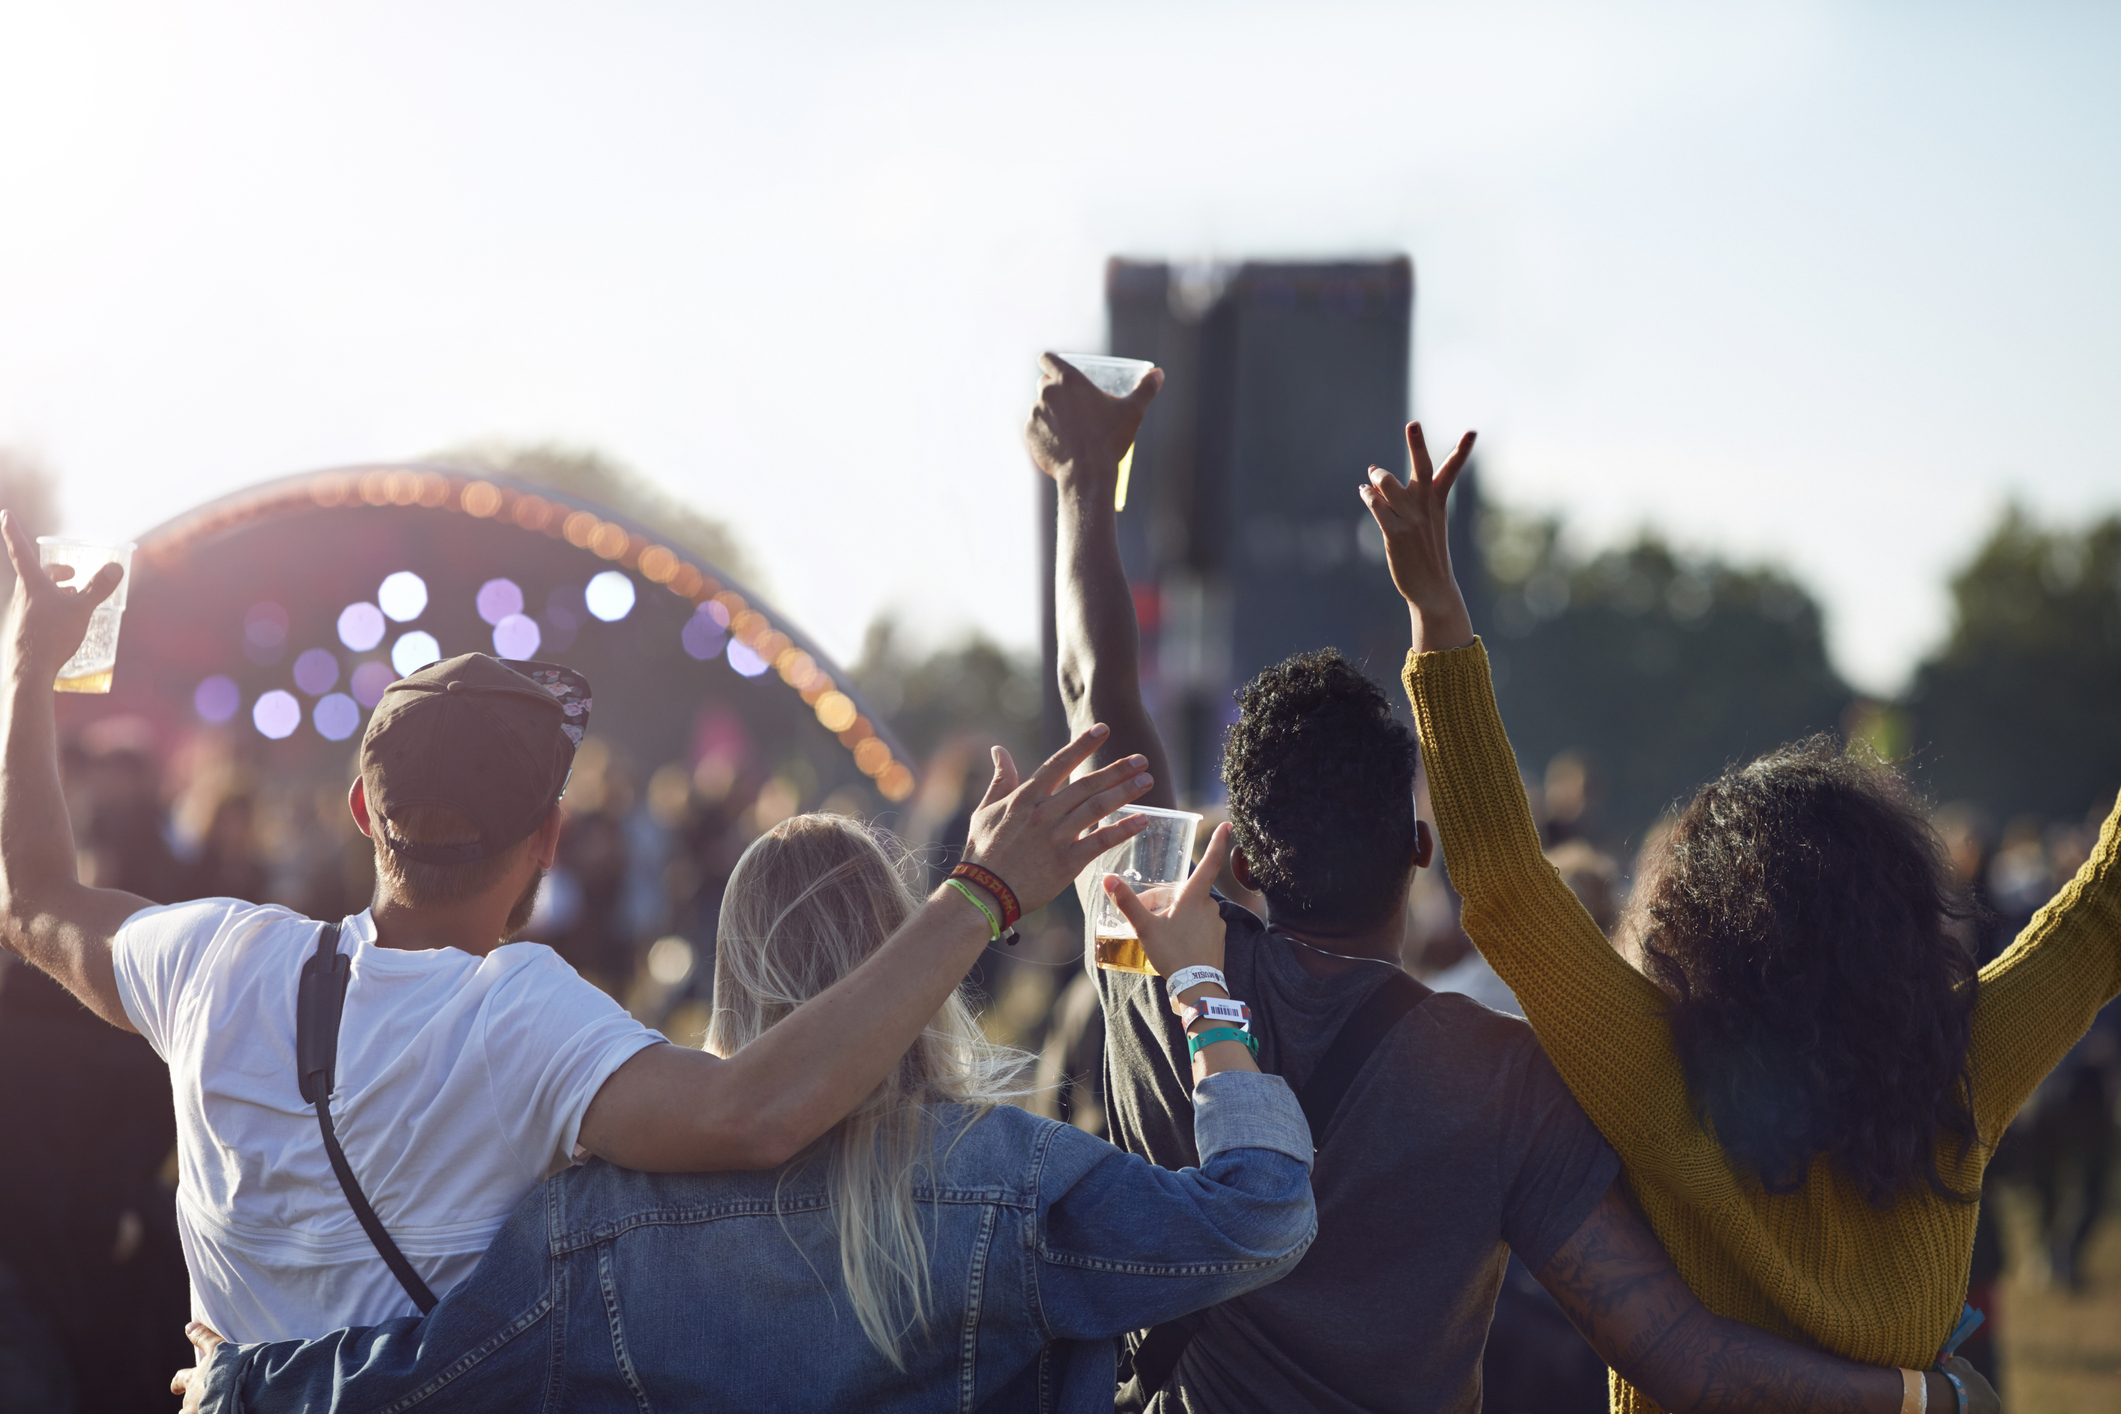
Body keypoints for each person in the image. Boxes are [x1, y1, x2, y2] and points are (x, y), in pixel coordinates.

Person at [1028, 356, 1996, 1414]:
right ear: (1415, 849)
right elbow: (1685, 1358)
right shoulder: (1497, 1080)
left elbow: (1094, 690)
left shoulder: (1149, 963)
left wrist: (1083, 476)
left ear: (1247, 858)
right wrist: (1927, 1396)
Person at [0, 509, 1155, 1343]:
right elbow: (756, 1113)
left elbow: (33, 897)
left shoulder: (216, 961)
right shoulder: (521, 1017)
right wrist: (983, 893)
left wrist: (28, 665)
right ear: (547, 842)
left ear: (362, 810)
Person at [1366, 416, 2121, 1414]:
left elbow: (1504, 886)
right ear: (1897, 909)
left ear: (1700, 919)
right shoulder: (1961, 1062)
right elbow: (2099, 921)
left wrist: (1437, 613)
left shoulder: (1655, 1075)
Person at [173, 812, 1316, 1412]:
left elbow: (415, 1376)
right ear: (900, 964)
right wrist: (1200, 982)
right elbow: (1261, 1215)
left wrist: (238, 1386)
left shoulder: (596, 1225)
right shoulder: (1006, 1179)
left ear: (734, 971)